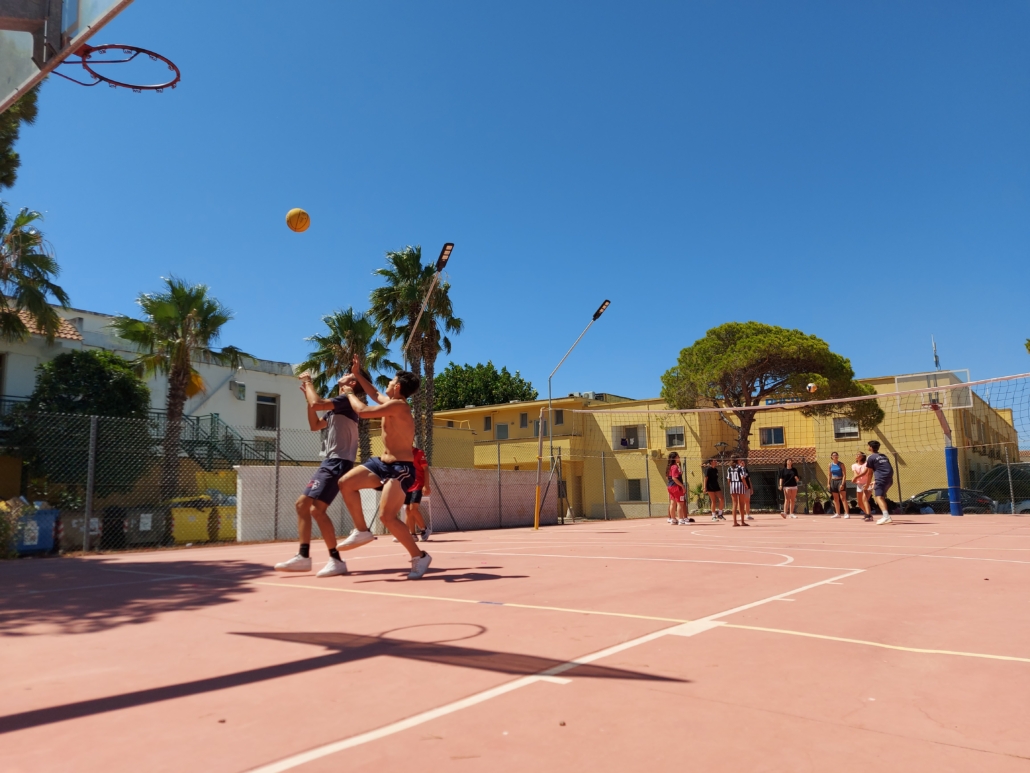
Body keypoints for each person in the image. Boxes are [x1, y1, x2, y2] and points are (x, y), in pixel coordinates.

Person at [335, 355, 433, 579]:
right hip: (382, 463)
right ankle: (361, 530)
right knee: (346, 483)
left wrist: (349, 392)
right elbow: (374, 394)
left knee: (387, 517)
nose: (387, 384)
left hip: (401, 469)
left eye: (390, 382)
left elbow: (363, 411)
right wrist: (358, 374)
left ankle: (419, 556)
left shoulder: (399, 406)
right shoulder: (392, 403)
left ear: (397, 387)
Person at [274, 372, 361, 577]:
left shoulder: (346, 400)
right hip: (333, 462)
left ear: (352, 383)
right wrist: (308, 399)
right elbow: (315, 425)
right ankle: (319, 558)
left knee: (307, 506)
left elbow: (317, 404)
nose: (344, 373)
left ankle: (317, 558)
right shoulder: (338, 406)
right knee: (311, 509)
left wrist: (308, 381)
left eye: (348, 374)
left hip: (337, 462)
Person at [865, 440, 895, 525]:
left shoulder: (871, 457)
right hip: (889, 479)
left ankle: (886, 517)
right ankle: (886, 516)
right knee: (881, 497)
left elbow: (869, 473)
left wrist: (867, 484)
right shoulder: (884, 456)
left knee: (878, 497)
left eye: (868, 446)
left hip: (882, 479)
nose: (868, 447)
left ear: (871, 447)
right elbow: (888, 469)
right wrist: (876, 480)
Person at [666, 452, 690, 524]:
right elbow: (674, 478)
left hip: (670, 487)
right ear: (675, 458)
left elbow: (668, 477)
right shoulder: (674, 467)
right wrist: (682, 486)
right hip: (676, 487)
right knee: (680, 503)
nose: (679, 458)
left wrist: (679, 466)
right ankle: (681, 520)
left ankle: (673, 519)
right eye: (678, 457)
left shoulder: (670, 467)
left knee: (673, 503)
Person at [727, 457, 750, 526]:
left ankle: (735, 522)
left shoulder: (729, 468)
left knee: (734, 504)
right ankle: (742, 522)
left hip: (732, 485)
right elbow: (742, 477)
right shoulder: (740, 468)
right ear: (737, 460)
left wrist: (730, 486)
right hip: (740, 485)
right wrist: (746, 485)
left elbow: (728, 479)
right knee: (741, 504)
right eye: (739, 459)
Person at [852, 452, 873, 521]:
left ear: (862, 456)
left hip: (867, 483)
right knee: (860, 503)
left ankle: (868, 515)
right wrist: (854, 478)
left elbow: (864, 473)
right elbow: (855, 474)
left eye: (858, 454)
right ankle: (868, 514)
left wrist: (855, 478)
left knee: (865, 500)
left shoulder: (866, 464)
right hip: (859, 484)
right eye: (856, 454)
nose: (856, 455)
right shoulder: (854, 465)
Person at [827, 452, 849, 519]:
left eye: (836, 455)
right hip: (833, 481)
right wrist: (828, 483)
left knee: (843, 498)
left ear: (838, 456)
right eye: (834, 455)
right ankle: (837, 513)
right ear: (831, 457)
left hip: (840, 480)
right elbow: (829, 475)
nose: (835, 456)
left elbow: (844, 475)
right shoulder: (830, 465)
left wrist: (842, 484)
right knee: (835, 498)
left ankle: (846, 513)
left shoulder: (841, 464)